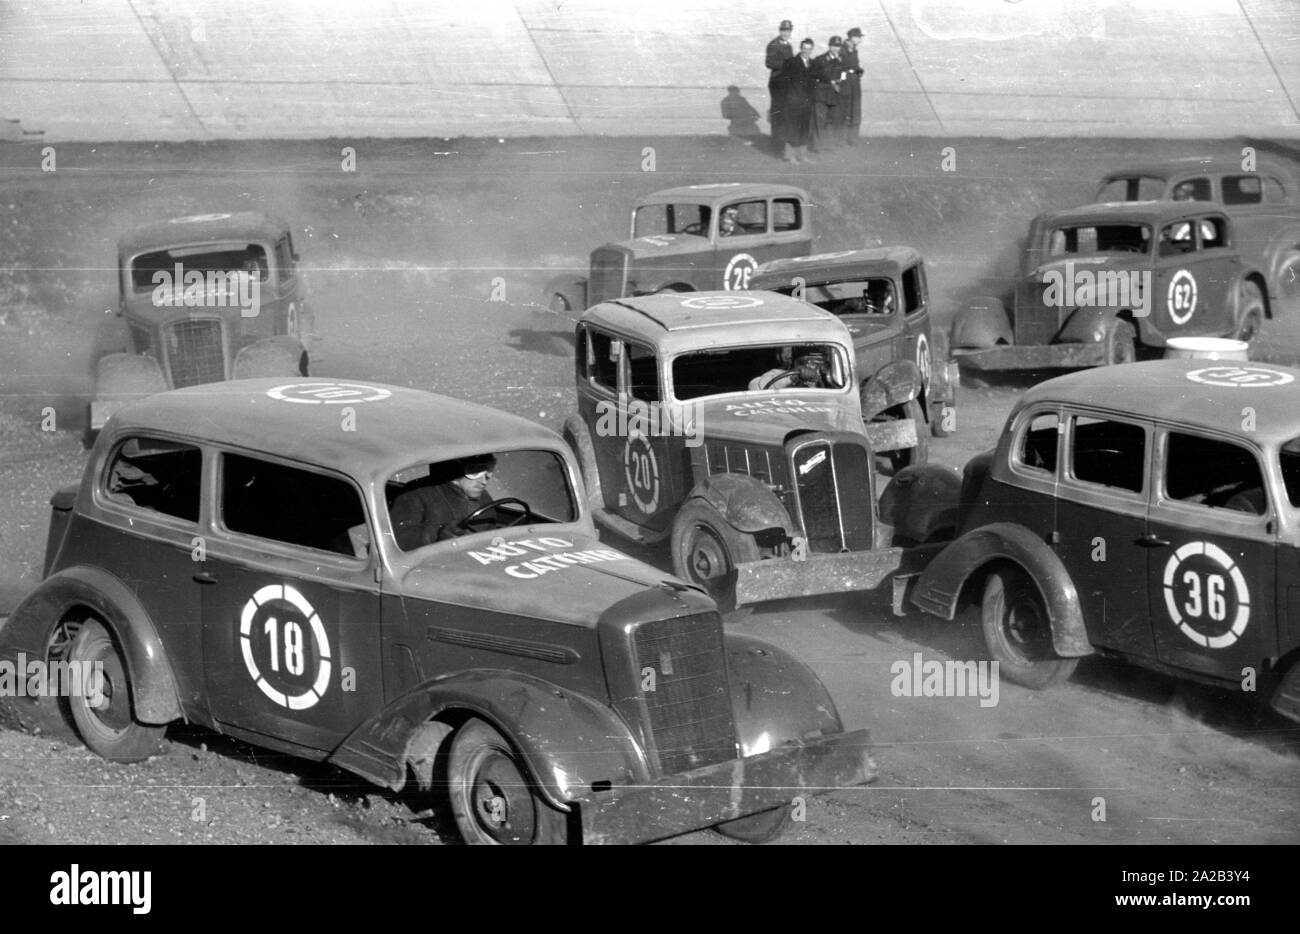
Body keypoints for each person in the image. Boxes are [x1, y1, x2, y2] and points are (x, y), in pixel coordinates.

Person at [389, 454, 498, 550]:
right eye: (476, 472)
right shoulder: (415, 493)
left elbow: (490, 534)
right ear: (457, 470)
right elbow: (398, 541)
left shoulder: (485, 498)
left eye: (488, 473)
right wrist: (438, 535)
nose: (484, 481)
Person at [778, 38, 818, 163]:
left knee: (804, 129)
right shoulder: (791, 62)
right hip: (793, 102)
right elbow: (783, 82)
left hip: (807, 102)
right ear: (800, 48)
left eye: (809, 48)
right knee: (793, 129)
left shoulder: (813, 63)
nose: (806, 51)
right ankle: (790, 156)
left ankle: (802, 155)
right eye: (804, 48)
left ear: (812, 50)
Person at [813, 36, 851, 150]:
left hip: (835, 95)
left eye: (838, 46)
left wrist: (841, 83)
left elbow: (844, 74)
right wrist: (831, 82)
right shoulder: (820, 59)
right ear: (829, 46)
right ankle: (818, 146)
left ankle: (829, 145)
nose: (836, 49)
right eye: (834, 46)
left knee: (833, 121)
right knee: (819, 120)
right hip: (822, 94)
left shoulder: (842, 60)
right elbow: (816, 75)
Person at [765, 20, 795, 153]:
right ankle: (776, 146)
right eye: (783, 30)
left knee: (786, 113)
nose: (786, 33)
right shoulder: (773, 44)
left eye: (788, 31)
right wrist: (785, 65)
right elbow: (769, 63)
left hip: (787, 83)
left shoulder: (788, 45)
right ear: (780, 31)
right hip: (777, 82)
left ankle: (783, 144)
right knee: (777, 113)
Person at [749, 349, 830, 390]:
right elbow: (754, 386)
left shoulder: (832, 379)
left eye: (817, 364)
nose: (811, 367)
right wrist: (792, 378)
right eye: (804, 363)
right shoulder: (779, 374)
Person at [841, 28, 864, 146]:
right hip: (847, 83)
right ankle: (844, 139)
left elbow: (855, 65)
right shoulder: (842, 49)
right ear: (852, 37)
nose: (860, 39)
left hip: (855, 81)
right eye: (858, 37)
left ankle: (853, 139)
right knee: (846, 111)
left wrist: (858, 70)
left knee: (855, 110)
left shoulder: (854, 50)